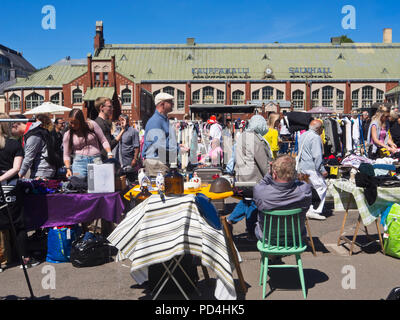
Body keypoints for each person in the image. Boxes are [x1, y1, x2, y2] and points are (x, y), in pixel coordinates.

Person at [253, 155, 312, 261]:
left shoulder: (261, 192)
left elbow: (261, 184)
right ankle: (275, 255)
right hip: (295, 239)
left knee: (257, 223)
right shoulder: (305, 191)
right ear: (293, 173)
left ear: (274, 174)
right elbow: (301, 182)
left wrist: (269, 173)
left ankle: (271, 255)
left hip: (268, 240)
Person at [0, 113, 40, 269]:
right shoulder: (14, 145)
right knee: (18, 225)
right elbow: (17, 168)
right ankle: (25, 259)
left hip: (6, 187)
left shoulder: (13, 144)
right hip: (11, 188)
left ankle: (6, 260)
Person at [63, 108, 112, 179]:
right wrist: (68, 169)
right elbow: (66, 154)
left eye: (76, 123)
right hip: (79, 162)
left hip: (96, 159)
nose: (73, 125)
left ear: (81, 121)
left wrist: (109, 153)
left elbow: (103, 140)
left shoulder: (92, 125)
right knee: (79, 182)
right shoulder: (68, 134)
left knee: (99, 182)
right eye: (71, 122)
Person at [142, 92, 180, 176]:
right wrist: (177, 148)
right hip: (156, 163)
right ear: (162, 104)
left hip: (160, 161)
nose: (172, 104)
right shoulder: (156, 121)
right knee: (160, 188)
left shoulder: (163, 120)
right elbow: (159, 145)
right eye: (170, 102)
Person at [297, 120, 328, 220]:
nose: (323, 130)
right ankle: (314, 210)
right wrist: (322, 169)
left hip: (302, 166)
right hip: (311, 168)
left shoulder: (303, 135)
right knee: (321, 187)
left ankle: (307, 209)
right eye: (322, 128)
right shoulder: (315, 137)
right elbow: (317, 156)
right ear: (319, 128)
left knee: (307, 188)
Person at [11, 114, 56, 179]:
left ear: (15, 125)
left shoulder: (33, 135)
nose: (10, 131)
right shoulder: (32, 132)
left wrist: (20, 174)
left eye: (10, 128)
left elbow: (28, 158)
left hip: (42, 172)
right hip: (42, 170)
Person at [94, 97, 125, 161]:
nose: (112, 109)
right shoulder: (101, 124)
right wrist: (123, 130)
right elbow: (109, 145)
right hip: (101, 159)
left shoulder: (100, 122)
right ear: (101, 107)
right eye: (110, 107)